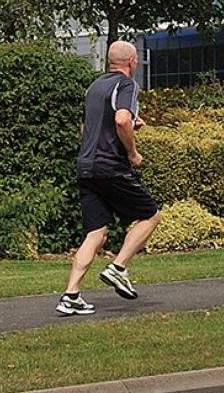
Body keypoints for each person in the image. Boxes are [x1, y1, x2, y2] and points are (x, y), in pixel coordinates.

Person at [57, 40, 162, 316]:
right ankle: (118, 267)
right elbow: (120, 120)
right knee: (151, 216)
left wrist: (131, 121)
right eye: (136, 60)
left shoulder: (95, 87)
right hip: (111, 166)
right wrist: (133, 152)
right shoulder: (127, 85)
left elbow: (88, 127)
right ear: (131, 62)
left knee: (96, 233)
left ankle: (71, 295)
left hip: (86, 167)